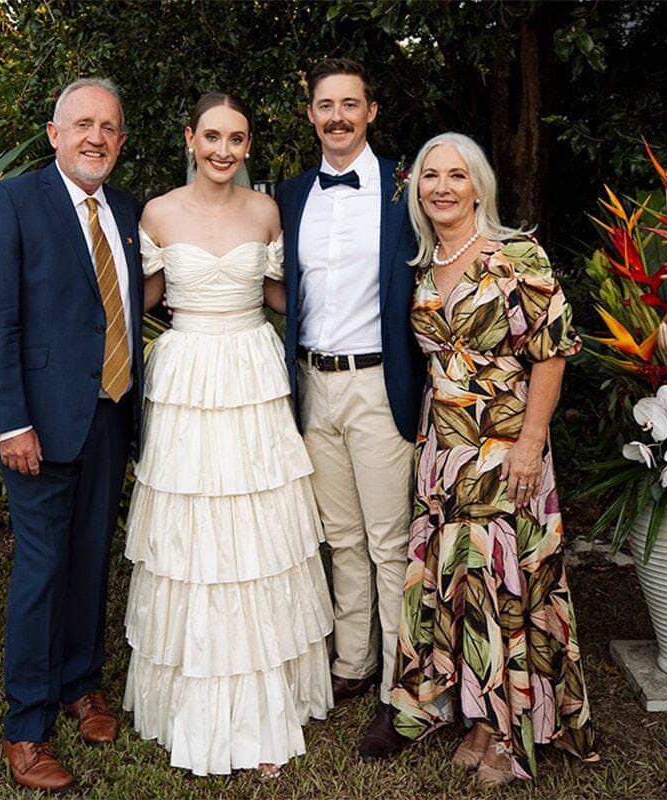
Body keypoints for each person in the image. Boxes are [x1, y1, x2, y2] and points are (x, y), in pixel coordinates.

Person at [122, 92, 333, 778]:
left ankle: (263, 699)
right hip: (186, 373)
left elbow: (282, 297)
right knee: (193, 526)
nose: (222, 150)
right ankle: (189, 695)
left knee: (255, 527)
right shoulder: (156, 212)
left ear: (248, 146)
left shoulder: (266, 211)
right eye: (211, 136)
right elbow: (140, 297)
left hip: (250, 368)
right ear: (190, 137)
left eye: (236, 139)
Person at [390, 132, 598, 786]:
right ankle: (480, 718)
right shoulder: (426, 266)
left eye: (456, 175)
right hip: (444, 451)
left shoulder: (516, 256)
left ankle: (509, 735)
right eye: (431, 177)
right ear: (417, 191)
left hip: (505, 445)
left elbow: (554, 350)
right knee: (462, 586)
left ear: (479, 186)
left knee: (504, 583)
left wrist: (533, 440)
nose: (443, 187)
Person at [0, 78, 144, 793]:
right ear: (54, 133)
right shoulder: (14, 203)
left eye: (109, 127)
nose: (96, 136)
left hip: (108, 415)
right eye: (83, 124)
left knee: (92, 558)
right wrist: (12, 421)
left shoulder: (125, 211)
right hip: (34, 426)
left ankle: (81, 685)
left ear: (121, 142)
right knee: (41, 571)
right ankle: (27, 728)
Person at [276, 58, 425, 762]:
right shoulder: (292, 192)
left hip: (378, 385)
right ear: (311, 114)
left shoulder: (405, 187)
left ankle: (403, 689)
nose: (336, 115)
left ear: (370, 111)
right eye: (324, 105)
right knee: (339, 535)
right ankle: (354, 662)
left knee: (389, 541)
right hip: (313, 384)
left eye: (349, 104)